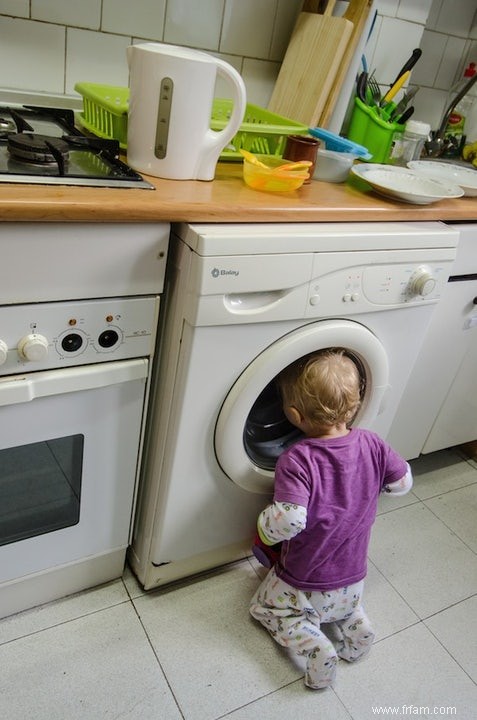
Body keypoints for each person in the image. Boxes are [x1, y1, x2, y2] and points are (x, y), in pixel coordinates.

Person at [249, 349, 413, 690]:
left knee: (265, 607)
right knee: (341, 607)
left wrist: (264, 525)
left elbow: (289, 520)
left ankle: (316, 647)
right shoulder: (373, 443)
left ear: (293, 414)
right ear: (355, 404)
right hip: (354, 580)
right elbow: (402, 483)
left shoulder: (298, 459)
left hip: (305, 581)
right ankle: (356, 627)